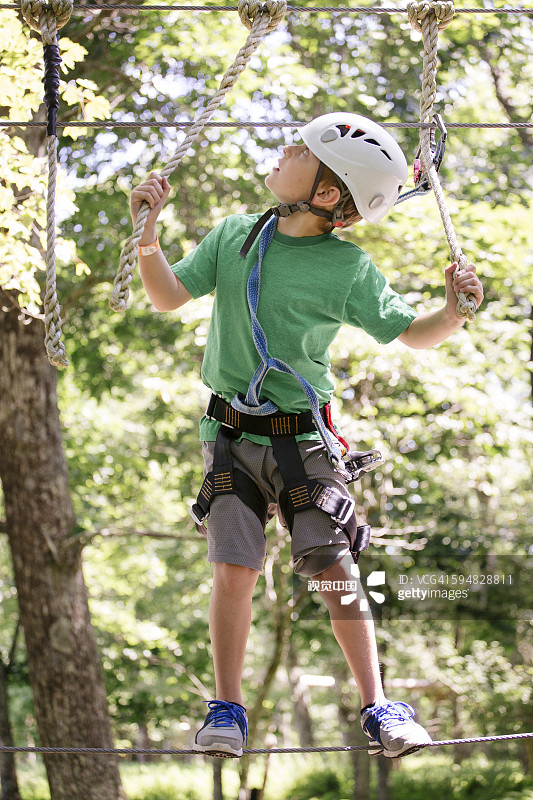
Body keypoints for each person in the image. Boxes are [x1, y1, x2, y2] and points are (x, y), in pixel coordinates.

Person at [129, 112, 483, 759]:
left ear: (324, 194)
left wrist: (453, 312)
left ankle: (378, 708)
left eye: (300, 149)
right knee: (233, 568)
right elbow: (167, 296)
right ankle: (226, 710)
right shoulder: (237, 236)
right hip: (231, 435)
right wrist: (147, 233)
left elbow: (413, 332)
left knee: (332, 567)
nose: (284, 149)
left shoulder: (345, 269)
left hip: (304, 441)